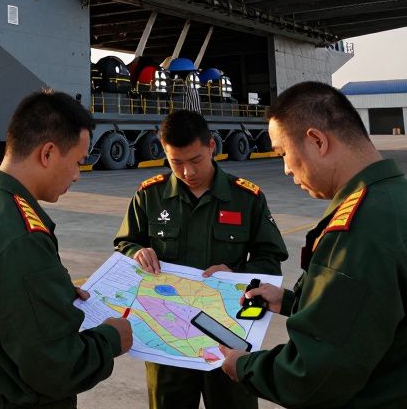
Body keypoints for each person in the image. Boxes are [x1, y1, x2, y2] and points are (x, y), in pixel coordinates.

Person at [217, 81, 407, 407]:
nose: (285, 168)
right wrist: (293, 302)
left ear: (316, 141)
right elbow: (382, 309)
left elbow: (312, 376)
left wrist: (243, 366)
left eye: (284, 153)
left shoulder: (358, 230)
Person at [0, 90, 133, 408]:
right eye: (77, 162)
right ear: (47, 153)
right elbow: (57, 368)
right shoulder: (20, 235)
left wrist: (54, 292)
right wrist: (111, 339)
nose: (77, 176)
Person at [114, 110, 288, 409]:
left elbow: (270, 258)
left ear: (211, 146)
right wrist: (136, 252)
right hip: (166, 336)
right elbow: (125, 244)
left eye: (195, 160)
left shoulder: (246, 198)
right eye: (176, 162)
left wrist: (234, 274)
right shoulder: (149, 195)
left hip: (228, 332)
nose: (187, 172)